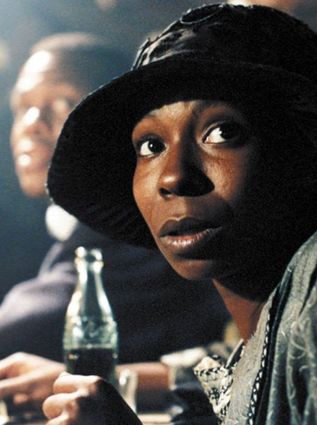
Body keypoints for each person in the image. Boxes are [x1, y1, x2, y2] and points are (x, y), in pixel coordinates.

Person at [41, 4, 317, 424]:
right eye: (150, 146)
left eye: (223, 132)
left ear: (306, 161)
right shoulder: (255, 342)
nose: (173, 176)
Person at [0, 31, 230, 408]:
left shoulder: (167, 238)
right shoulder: (70, 244)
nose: (32, 124)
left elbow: (242, 366)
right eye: (21, 108)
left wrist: (95, 382)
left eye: (62, 103)